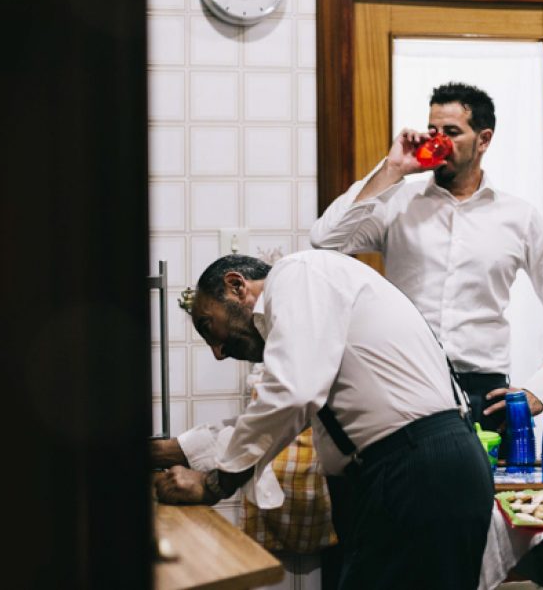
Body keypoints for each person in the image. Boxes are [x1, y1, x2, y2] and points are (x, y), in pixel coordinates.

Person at [154, 251, 493, 590]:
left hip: (419, 470)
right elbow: (273, 414)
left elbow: (289, 397)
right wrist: (168, 451)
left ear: (236, 286)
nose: (218, 352)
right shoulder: (314, 317)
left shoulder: (296, 274)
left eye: (208, 326)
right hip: (418, 469)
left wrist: (215, 483)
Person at [310, 82, 543, 430]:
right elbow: (325, 239)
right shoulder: (398, 203)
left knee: (493, 469)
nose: (438, 141)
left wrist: (540, 388)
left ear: (483, 140)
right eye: (433, 131)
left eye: (452, 132)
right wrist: (391, 169)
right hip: (404, 383)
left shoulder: (519, 217)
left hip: (484, 392)